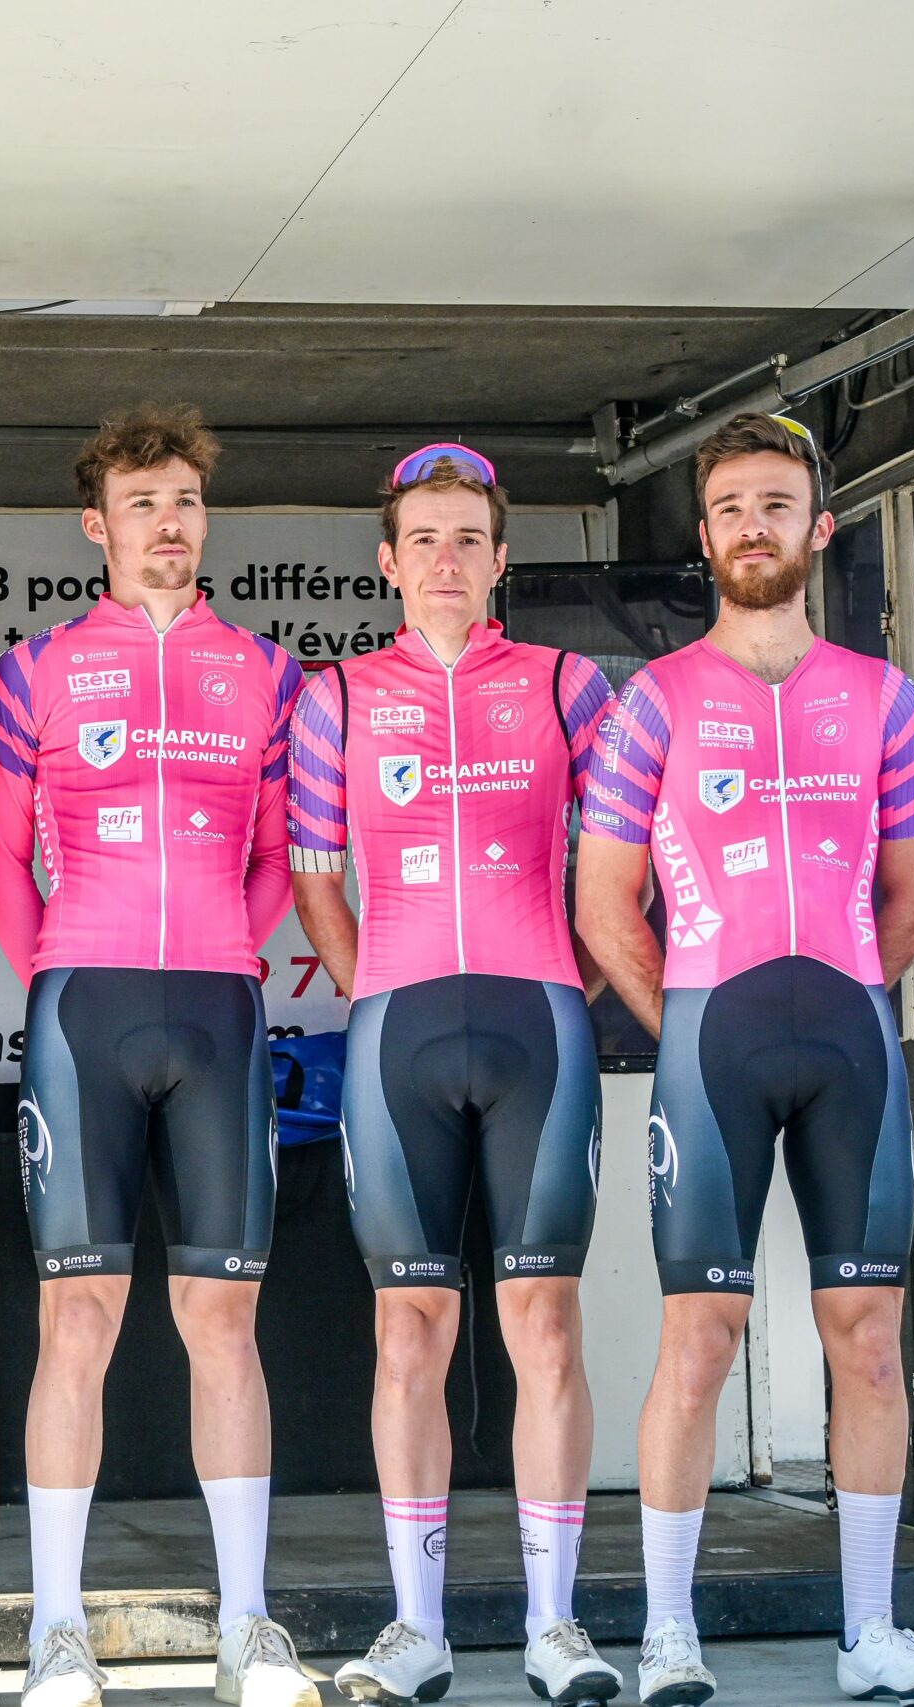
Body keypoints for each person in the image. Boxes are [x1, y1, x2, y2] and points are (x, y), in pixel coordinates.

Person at [573, 412, 914, 1707]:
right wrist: (687, 1015)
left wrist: (845, 993)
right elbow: (603, 902)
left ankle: (871, 1631)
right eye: (732, 507)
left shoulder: (886, 698)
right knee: (700, 1335)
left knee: (869, 1338)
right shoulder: (652, 702)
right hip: (712, 1045)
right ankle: (667, 1634)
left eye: (776, 504)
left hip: (850, 1039)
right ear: (705, 536)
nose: (754, 526)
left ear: (821, 525)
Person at [0, 405, 310, 1707]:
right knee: (79, 1315)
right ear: (96, 525)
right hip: (84, 1012)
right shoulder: (38, 669)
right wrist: (55, 965)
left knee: (224, 1318)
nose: (168, 524)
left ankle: (248, 1624)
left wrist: (228, 942)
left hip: (218, 1007)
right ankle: (58, 1627)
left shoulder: (265, 670)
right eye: (142, 504)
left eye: (184, 501)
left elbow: (280, 850)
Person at [285, 445, 622, 1705]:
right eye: (422, 538)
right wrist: (378, 991)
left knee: (544, 1323)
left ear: (498, 560)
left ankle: (554, 1625)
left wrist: (568, 992)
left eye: (466, 538)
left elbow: (620, 865)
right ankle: (415, 1626)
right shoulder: (336, 696)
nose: (444, 559)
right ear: (388, 562)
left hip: (538, 1024)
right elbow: (314, 877)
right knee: (409, 1326)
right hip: (398, 1032)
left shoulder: (566, 684)